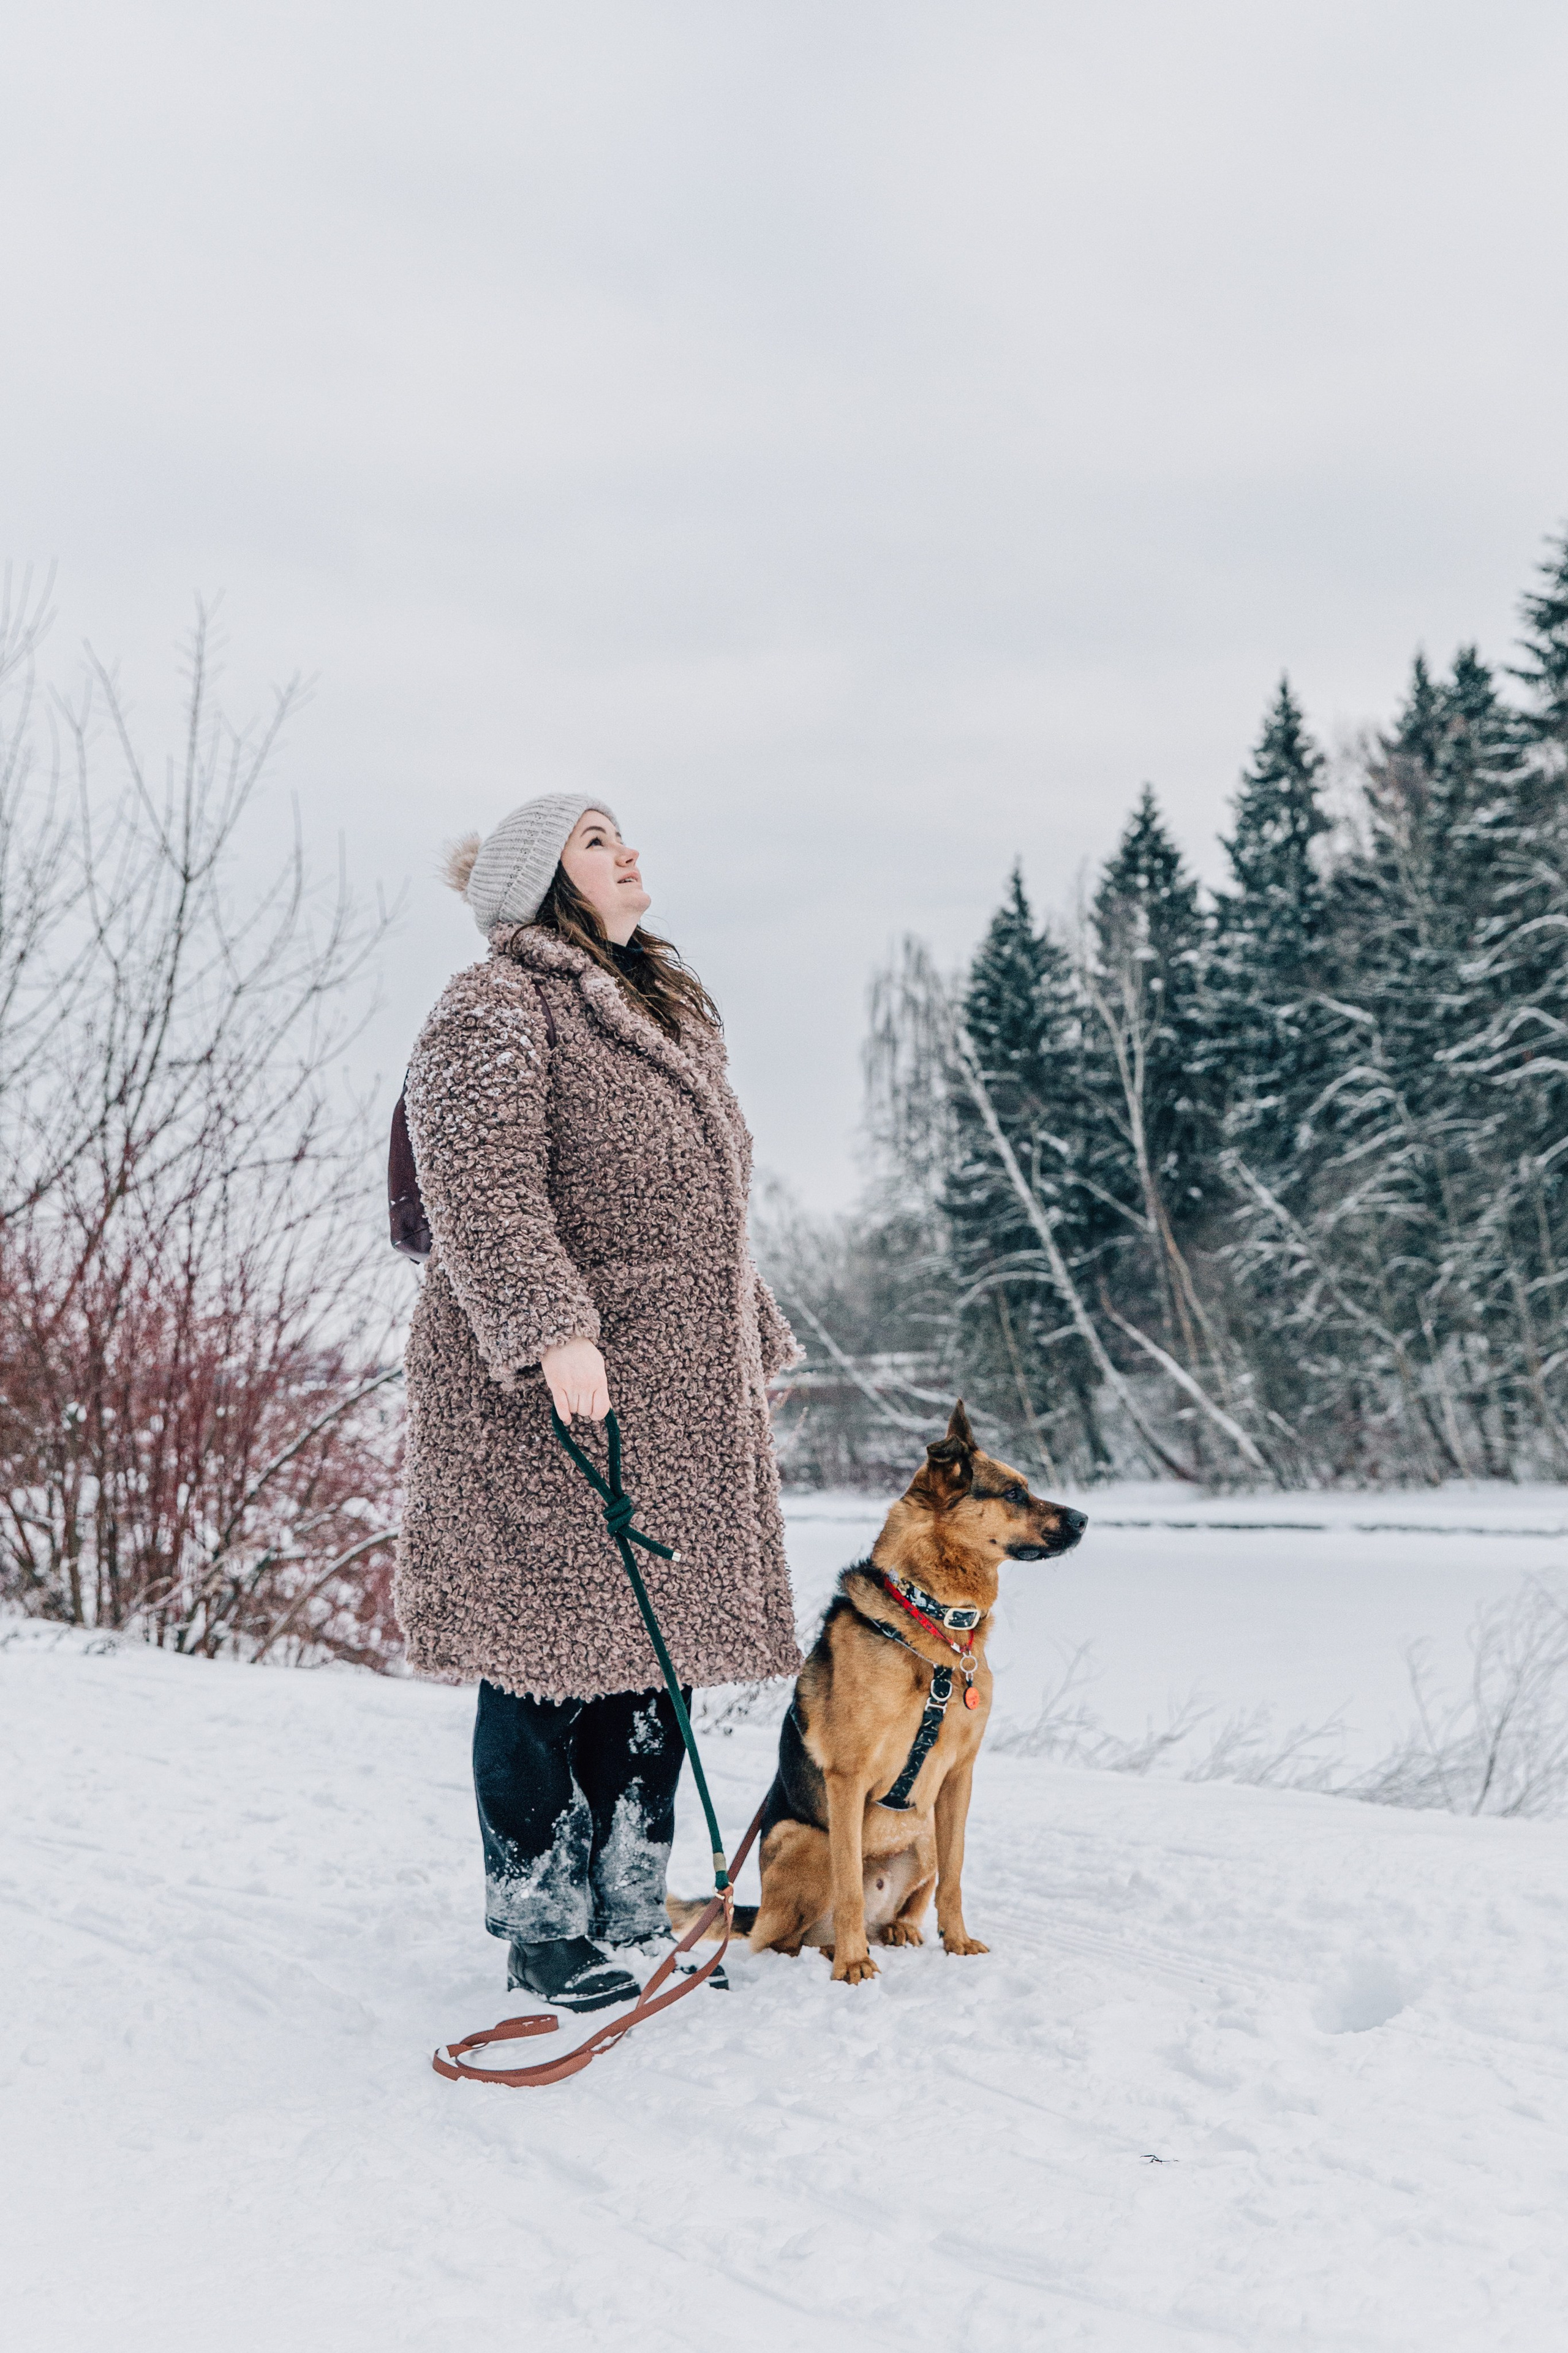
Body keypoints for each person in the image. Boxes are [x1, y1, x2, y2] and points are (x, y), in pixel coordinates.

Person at [394, 796, 802, 2013]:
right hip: (538, 1396)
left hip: (669, 1390)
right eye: (592, 838)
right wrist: (549, 1332)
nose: (625, 848)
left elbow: (698, 1215)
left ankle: (632, 1907)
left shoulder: (656, 1009)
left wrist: (754, 1332)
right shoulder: (495, 1003)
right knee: (541, 1663)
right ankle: (540, 1926)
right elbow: (478, 1187)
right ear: (539, 883)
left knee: (644, 1658)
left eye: (620, 832)